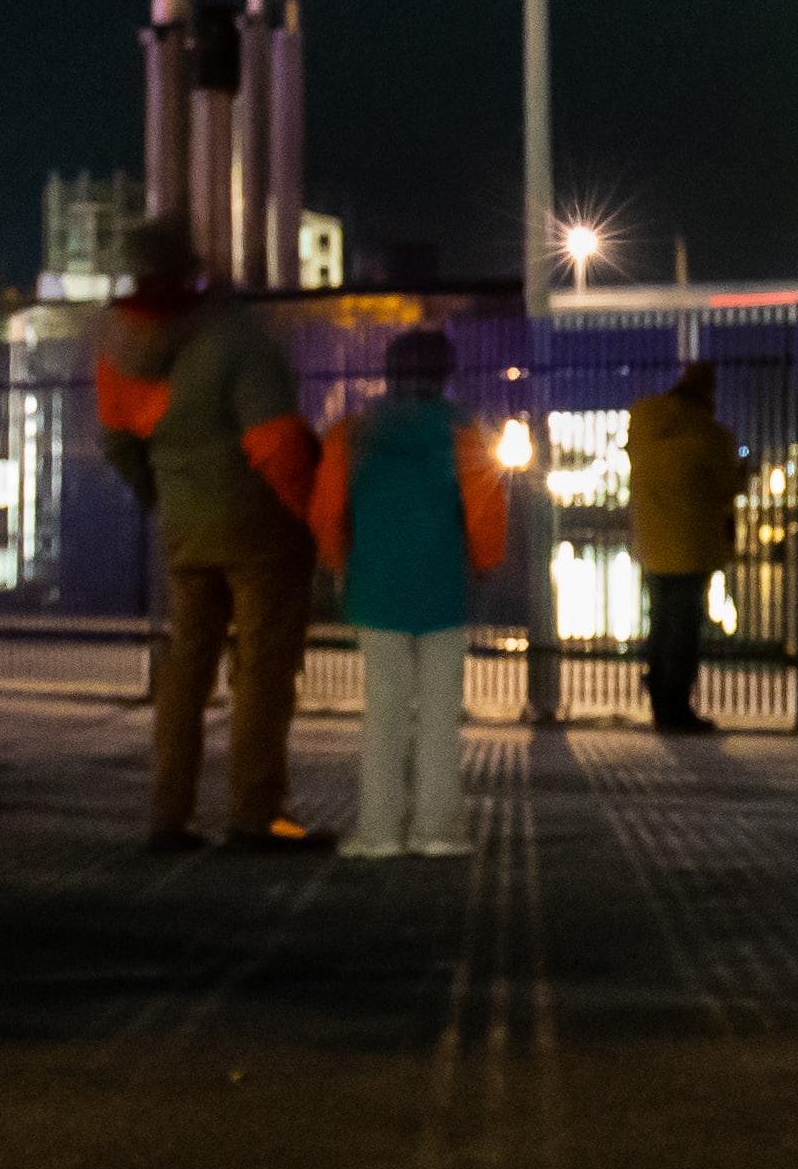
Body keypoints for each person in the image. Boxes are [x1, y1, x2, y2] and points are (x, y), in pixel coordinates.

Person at [94, 212, 335, 852]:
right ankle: (257, 817)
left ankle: (169, 818)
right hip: (260, 530)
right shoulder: (237, 339)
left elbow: (117, 443)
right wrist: (314, 518)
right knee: (261, 672)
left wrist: (164, 498)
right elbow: (276, 444)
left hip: (185, 529)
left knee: (185, 672)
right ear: (194, 270)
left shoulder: (123, 347)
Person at [311, 326, 505, 858]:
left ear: (390, 374)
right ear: (444, 376)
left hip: (375, 587)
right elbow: (486, 510)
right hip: (444, 585)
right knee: (441, 715)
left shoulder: (352, 434)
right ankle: (437, 829)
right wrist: (484, 561)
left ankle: (378, 831)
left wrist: (337, 562)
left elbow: (326, 511)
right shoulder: (465, 432)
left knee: (384, 713)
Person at [626, 360, 752, 733]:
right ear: (708, 392)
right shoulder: (709, 436)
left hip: (652, 542)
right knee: (683, 630)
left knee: (661, 622)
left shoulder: (645, 423)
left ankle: (659, 691)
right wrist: (743, 475)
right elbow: (726, 487)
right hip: (691, 545)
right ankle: (675, 707)